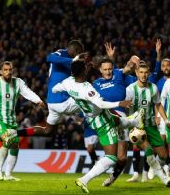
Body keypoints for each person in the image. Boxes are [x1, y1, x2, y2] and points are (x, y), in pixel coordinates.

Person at [51, 57, 133, 193]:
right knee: (112, 157)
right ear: (83, 72)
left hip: (93, 119)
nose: (88, 69)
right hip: (102, 120)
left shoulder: (68, 82)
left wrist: (72, 96)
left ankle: (135, 121)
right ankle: (84, 180)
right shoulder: (88, 88)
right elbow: (100, 104)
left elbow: (54, 89)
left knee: (118, 120)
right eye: (85, 68)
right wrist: (120, 103)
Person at [95, 41, 159, 185]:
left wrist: (137, 59)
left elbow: (127, 69)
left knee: (122, 158)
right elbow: (94, 101)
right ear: (100, 70)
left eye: (109, 69)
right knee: (111, 157)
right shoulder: (97, 83)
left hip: (123, 118)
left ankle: (113, 178)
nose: (108, 71)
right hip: (106, 119)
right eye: (105, 69)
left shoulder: (125, 77)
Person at [0, 61, 45, 181]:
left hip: (11, 120)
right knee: (7, 139)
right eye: (5, 70)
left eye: (10, 69)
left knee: (14, 146)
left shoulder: (18, 82)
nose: (8, 72)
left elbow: (28, 92)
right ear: (1, 71)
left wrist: (37, 100)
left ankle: (8, 174)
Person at [17, 40, 84, 137]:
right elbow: (49, 57)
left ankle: (15, 133)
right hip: (62, 100)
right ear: (76, 50)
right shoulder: (62, 53)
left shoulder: (72, 64)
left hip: (53, 102)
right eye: (79, 53)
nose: (79, 56)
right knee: (94, 102)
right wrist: (72, 61)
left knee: (48, 130)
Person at [126, 62, 170, 187]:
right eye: (141, 72)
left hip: (151, 125)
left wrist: (166, 121)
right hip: (136, 127)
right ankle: (164, 178)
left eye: (145, 72)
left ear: (149, 73)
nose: (143, 75)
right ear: (136, 73)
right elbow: (125, 106)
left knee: (163, 155)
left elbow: (158, 104)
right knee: (148, 149)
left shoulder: (153, 88)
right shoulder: (130, 89)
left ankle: (154, 167)